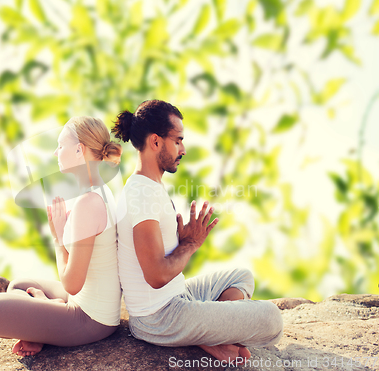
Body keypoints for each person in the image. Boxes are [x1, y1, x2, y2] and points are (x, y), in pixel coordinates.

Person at [112, 100, 283, 365]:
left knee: (242, 276)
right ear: (156, 142)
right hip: (158, 316)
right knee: (272, 319)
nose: (183, 149)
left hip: (178, 296)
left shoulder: (148, 186)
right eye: (178, 140)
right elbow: (156, 275)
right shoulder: (141, 194)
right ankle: (208, 334)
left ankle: (209, 335)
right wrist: (189, 244)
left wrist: (177, 242)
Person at [0, 116, 122, 356]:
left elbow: (72, 284)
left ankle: (42, 321)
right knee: (20, 285)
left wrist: (58, 238)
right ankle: (42, 321)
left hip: (89, 319)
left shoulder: (89, 203)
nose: (55, 152)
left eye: (60, 145)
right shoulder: (101, 192)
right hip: (84, 303)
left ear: (78, 150)